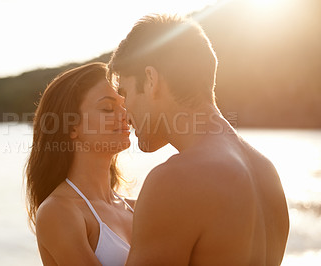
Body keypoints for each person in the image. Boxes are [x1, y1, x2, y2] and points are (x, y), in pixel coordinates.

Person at [107, 14, 290, 265]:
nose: (126, 114)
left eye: (125, 93)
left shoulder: (174, 181)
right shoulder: (267, 172)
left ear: (151, 80)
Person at [25, 62, 134, 266]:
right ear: (71, 126)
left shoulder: (136, 207)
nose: (125, 116)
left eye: (125, 106)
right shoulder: (59, 212)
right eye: (108, 108)